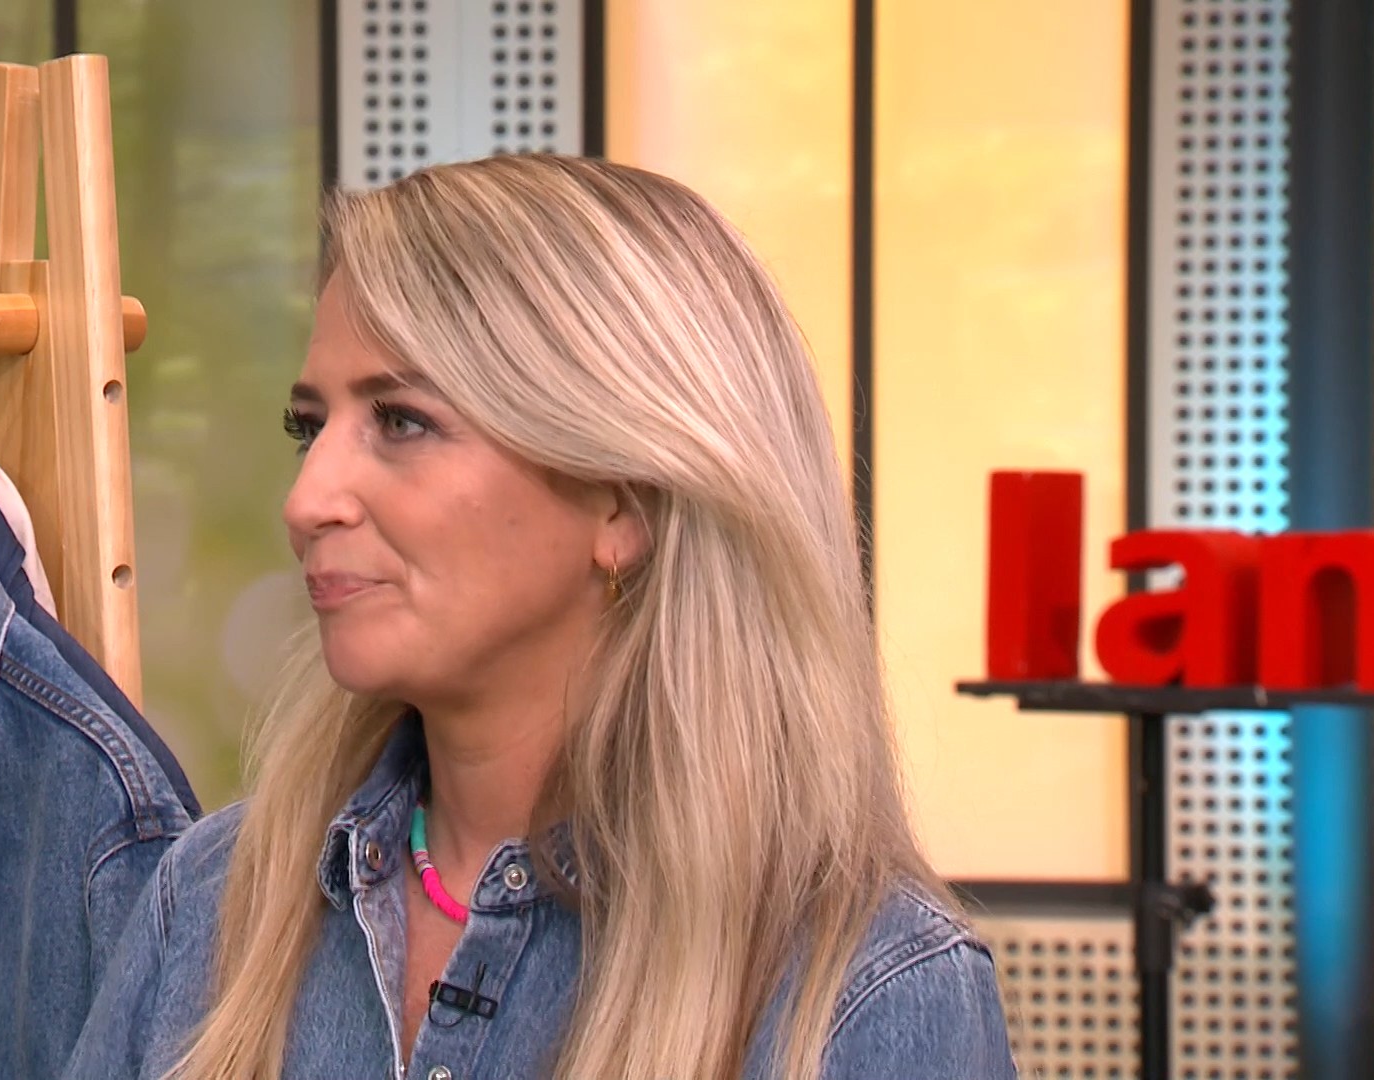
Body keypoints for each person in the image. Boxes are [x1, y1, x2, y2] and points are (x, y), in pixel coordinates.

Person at [63, 153, 1015, 1080]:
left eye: (400, 421)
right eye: (309, 428)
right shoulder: (212, 904)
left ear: (624, 501)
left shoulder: (863, 997)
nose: (307, 501)